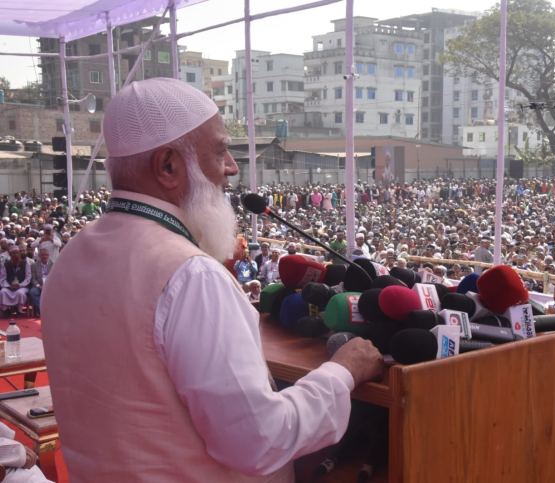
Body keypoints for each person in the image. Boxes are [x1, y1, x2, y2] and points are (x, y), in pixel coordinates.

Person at [41, 78, 384, 482]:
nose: (232, 168)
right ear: (168, 166)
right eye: (221, 151)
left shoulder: (71, 256)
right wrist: (342, 372)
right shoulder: (189, 275)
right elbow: (258, 440)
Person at [0, 246, 31, 316]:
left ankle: (19, 311)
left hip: (22, 286)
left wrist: (20, 285)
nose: (16, 255)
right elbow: (2, 278)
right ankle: (5, 310)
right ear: (10, 254)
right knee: (3, 292)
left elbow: (28, 277)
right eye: (14, 253)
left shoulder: (25, 264)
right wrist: (8, 286)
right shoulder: (6, 264)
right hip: (9, 286)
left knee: (20, 293)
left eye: (17, 253)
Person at [28, 248, 52, 315]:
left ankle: (51, 309)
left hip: (50, 286)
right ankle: (40, 308)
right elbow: (33, 278)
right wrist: (39, 286)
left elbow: (55, 278)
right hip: (38, 285)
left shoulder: (53, 265)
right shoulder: (34, 265)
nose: (44, 256)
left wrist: (49, 286)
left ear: (49, 255)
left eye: (46, 255)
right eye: (43, 255)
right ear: (39, 255)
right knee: (32, 292)